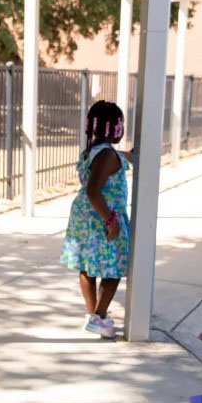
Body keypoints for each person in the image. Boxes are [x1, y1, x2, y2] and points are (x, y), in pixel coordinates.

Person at [60, 100, 131, 339]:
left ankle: (93, 317)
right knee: (114, 270)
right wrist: (111, 220)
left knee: (88, 267)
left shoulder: (93, 151)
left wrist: (125, 155)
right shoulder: (108, 155)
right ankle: (99, 316)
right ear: (115, 128)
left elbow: (105, 162)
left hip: (86, 218)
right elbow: (93, 190)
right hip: (102, 217)